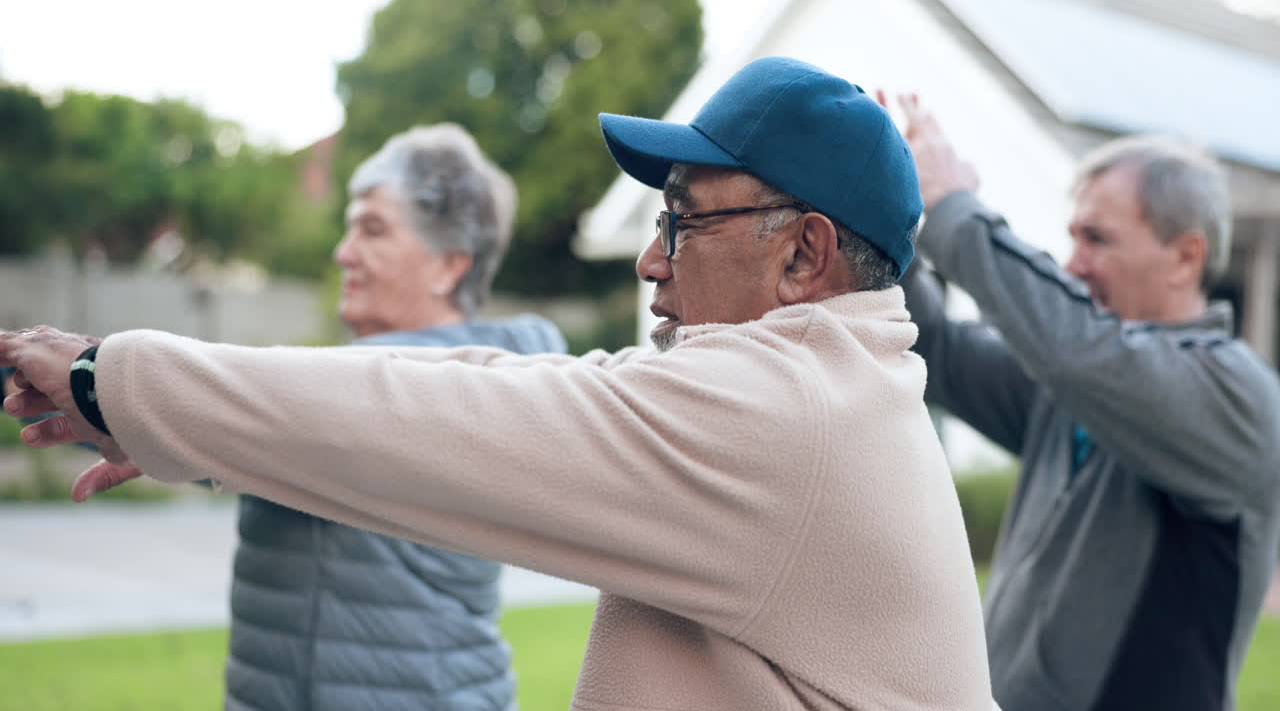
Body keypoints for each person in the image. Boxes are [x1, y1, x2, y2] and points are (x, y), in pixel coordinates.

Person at [1, 57, 997, 710]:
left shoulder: (786, 416)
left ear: (802, 256)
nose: (651, 262)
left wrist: (110, 377)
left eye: (682, 221)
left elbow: (445, 419)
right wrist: (162, 416)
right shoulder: (826, 387)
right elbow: (479, 386)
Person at [888, 93, 1280, 710]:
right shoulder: (1070, 382)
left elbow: (1079, 351)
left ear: (1187, 257)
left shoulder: (1238, 396)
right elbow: (930, 344)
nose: (1073, 263)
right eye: (1072, 236)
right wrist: (886, 215)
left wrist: (954, 210)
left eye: (1097, 238)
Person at [226, 124, 565, 710]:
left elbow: (228, 411)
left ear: (448, 265)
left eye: (372, 229)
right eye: (349, 226)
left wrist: (113, 388)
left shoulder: (451, 395)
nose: (343, 251)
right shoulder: (339, 383)